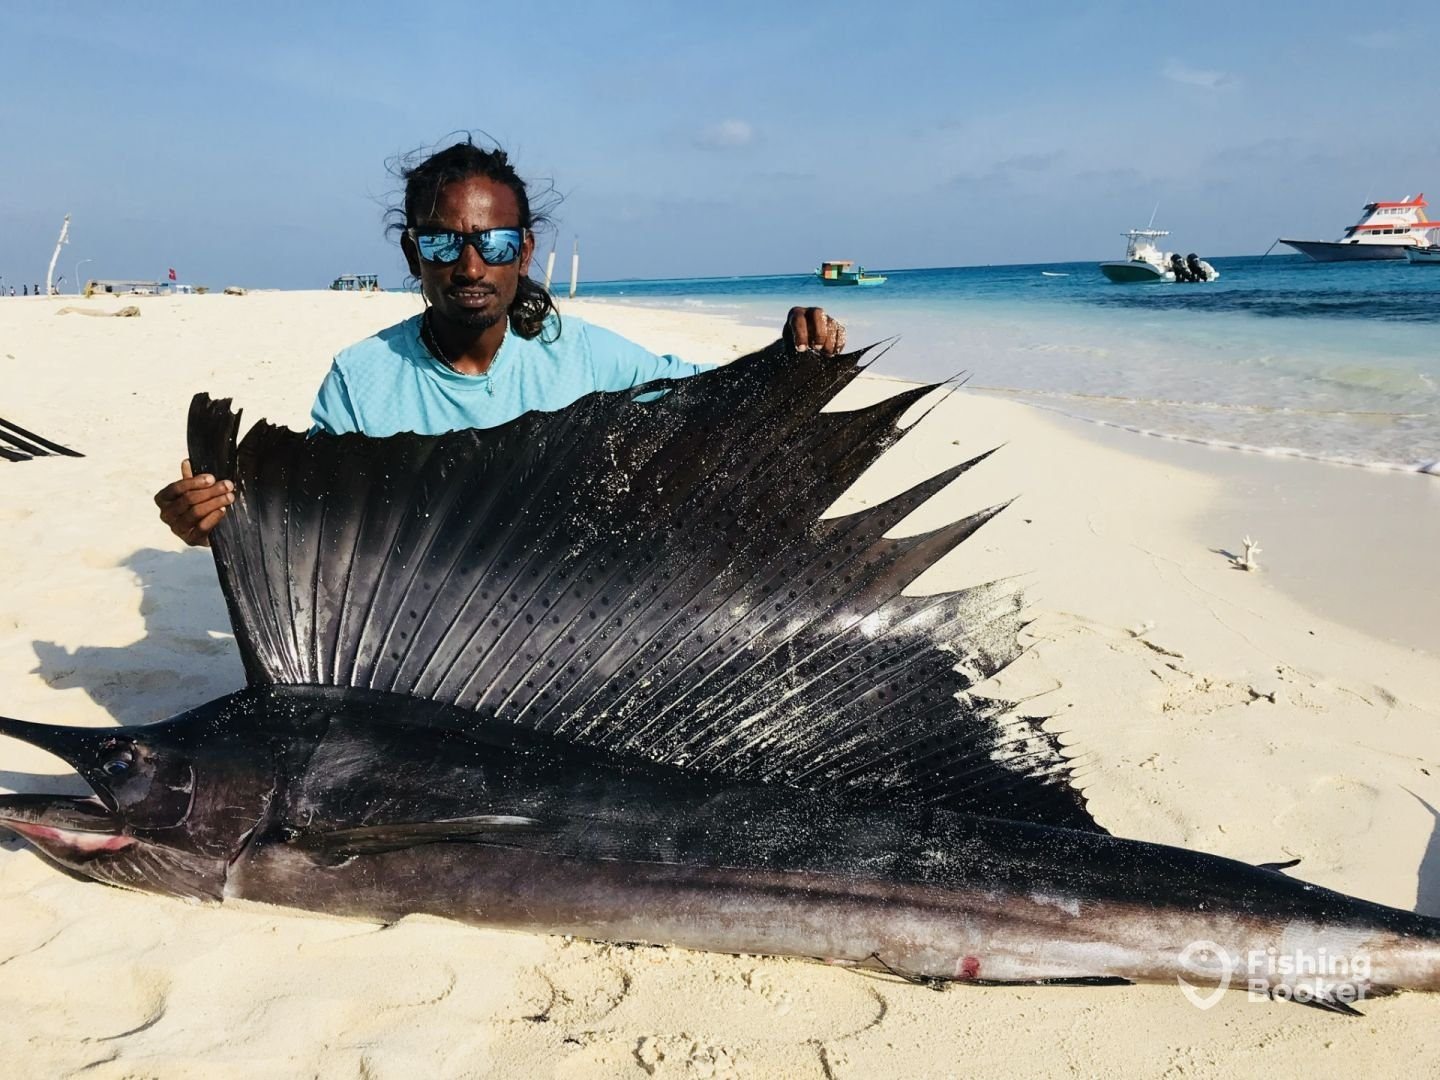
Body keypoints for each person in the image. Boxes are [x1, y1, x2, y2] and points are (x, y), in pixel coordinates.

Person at [156, 140, 845, 546]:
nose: (471, 265)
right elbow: (316, 520)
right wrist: (212, 523)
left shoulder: (587, 357)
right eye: (443, 243)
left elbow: (708, 401)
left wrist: (792, 358)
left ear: (524, 252)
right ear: (411, 254)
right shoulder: (361, 378)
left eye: (495, 242)